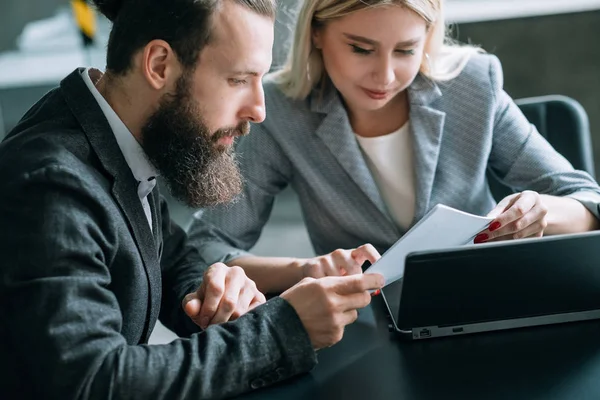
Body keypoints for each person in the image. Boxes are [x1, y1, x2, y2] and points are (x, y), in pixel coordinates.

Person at [0, 0, 385, 399]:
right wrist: (283, 328)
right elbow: (94, 381)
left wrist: (211, 290)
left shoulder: (111, 134)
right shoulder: (50, 187)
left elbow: (171, 258)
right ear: (160, 65)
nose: (259, 110)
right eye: (239, 79)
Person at [188, 0, 600, 295]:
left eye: (406, 50)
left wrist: (543, 213)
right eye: (361, 48)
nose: (384, 75)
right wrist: (306, 270)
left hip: (488, 298)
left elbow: (589, 202)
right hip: (365, 321)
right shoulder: (278, 111)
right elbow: (206, 247)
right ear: (316, 33)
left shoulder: (473, 85)